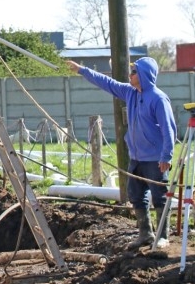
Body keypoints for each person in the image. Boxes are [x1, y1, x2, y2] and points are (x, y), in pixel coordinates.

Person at [67, 56, 176, 249]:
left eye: (134, 72)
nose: (130, 75)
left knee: (159, 196)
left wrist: (166, 156)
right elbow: (107, 83)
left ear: (143, 75)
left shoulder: (158, 98)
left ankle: (162, 236)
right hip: (136, 157)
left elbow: (169, 129)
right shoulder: (130, 93)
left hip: (154, 158)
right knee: (136, 195)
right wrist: (81, 70)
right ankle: (146, 234)